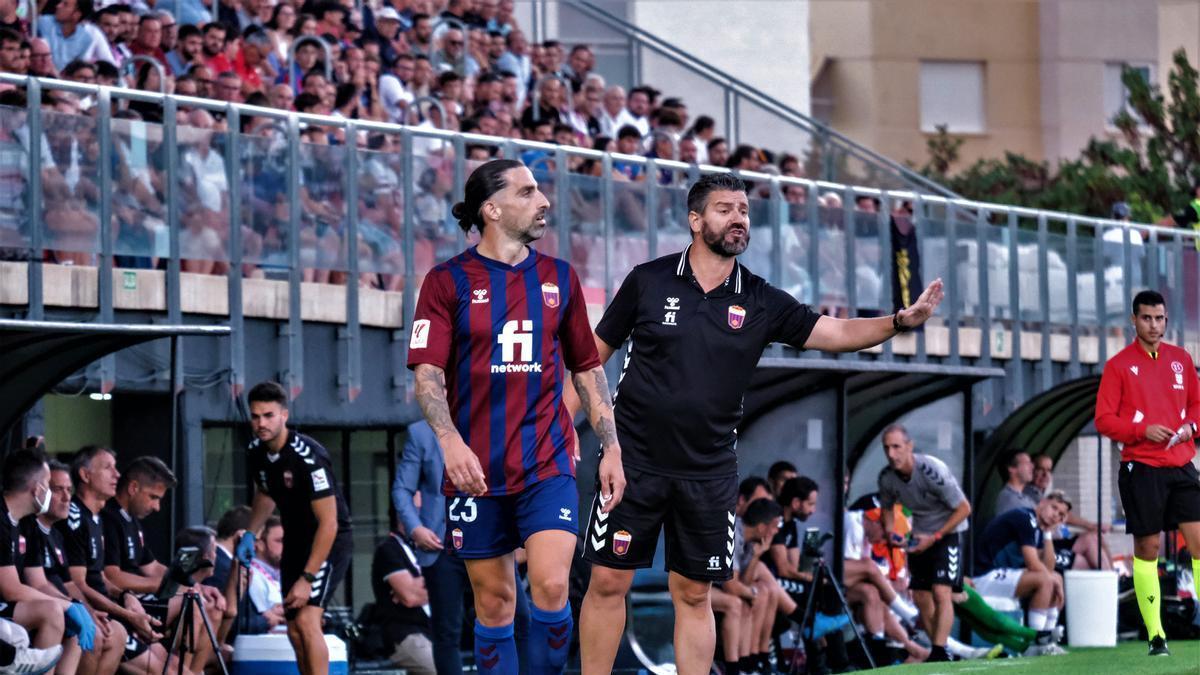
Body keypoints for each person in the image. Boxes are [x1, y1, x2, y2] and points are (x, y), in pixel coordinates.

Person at [574, 172, 943, 675]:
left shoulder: (762, 299)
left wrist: (896, 322)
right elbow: (591, 360)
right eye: (725, 209)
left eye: (744, 211)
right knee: (608, 582)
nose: (739, 219)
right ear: (696, 219)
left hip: (709, 471)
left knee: (694, 591)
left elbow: (833, 331)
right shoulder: (648, 280)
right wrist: (567, 432)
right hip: (633, 461)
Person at [407, 158, 625, 675]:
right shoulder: (445, 281)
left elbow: (588, 369)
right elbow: (427, 373)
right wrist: (449, 442)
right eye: (527, 192)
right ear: (492, 209)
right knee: (496, 603)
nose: (542, 201)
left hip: (546, 463)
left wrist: (610, 445)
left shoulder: (559, 278)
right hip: (474, 472)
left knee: (551, 584)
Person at [1094, 289, 1200, 657]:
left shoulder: (1181, 359)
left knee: (1199, 539)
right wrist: (1143, 431)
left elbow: (1197, 406)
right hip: (1141, 467)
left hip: (1182, 464)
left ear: (1166, 320)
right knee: (1148, 548)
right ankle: (1156, 636)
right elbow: (1104, 419)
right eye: (1146, 318)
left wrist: (1191, 428)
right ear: (1133, 320)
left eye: (1160, 318)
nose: (1154, 325)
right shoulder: (1118, 366)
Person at [391, 420, 532, 675]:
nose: (444, 389)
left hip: (491, 539)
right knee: (447, 630)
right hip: (441, 544)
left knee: (520, 617)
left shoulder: (494, 420)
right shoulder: (420, 432)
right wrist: (416, 528)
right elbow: (402, 489)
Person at [237, 381, 353, 675]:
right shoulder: (255, 451)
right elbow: (265, 492)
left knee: (307, 621)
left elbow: (329, 522)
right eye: (255, 416)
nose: (261, 423)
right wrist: (251, 532)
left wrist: (307, 577)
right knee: (293, 630)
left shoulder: (307, 456)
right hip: (296, 542)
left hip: (328, 541)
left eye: (268, 415)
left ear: (284, 415)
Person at [101, 456, 220, 673]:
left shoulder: (132, 521)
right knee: (193, 604)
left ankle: (192, 670)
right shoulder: (109, 518)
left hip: (136, 600)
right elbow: (112, 576)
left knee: (205, 603)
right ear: (133, 488)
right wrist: (161, 584)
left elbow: (153, 566)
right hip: (119, 604)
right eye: (153, 497)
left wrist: (192, 583)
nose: (157, 507)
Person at [59, 446, 170, 672]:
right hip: (85, 609)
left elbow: (100, 578)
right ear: (85, 475)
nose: (117, 475)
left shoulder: (96, 517)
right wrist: (126, 614)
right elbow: (78, 583)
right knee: (106, 636)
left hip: (109, 610)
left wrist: (127, 596)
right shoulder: (74, 516)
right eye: (108, 468)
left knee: (164, 656)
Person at [877, 424, 971, 663]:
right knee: (920, 597)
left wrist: (936, 537)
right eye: (886, 448)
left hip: (947, 533)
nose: (891, 453)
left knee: (941, 591)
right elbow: (887, 507)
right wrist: (890, 532)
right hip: (920, 535)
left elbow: (964, 509)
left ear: (909, 446)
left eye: (896, 447)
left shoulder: (931, 470)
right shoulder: (887, 477)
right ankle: (942, 648)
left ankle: (939, 651)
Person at [22, 460, 124, 675]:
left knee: (117, 633)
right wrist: (75, 608)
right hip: (39, 608)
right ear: (39, 490)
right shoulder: (29, 528)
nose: (67, 498)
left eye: (69, 490)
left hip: (64, 605)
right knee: (90, 634)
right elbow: (39, 583)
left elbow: (70, 583)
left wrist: (88, 610)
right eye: (58, 490)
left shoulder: (58, 535)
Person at [972, 491, 1071, 652]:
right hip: (984, 576)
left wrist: (1048, 534)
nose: (1056, 516)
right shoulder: (1024, 518)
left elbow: (1049, 567)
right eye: (1054, 508)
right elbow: (1033, 564)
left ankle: (1047, 643)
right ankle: (1034, 641)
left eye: (1061, 515)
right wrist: (1053, 581)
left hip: (1002, 576)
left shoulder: (1039, 529)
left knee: (1055, 577)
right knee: (1046, 580)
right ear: (1042, 503)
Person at [0, 449, 78, 652]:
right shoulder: (1, 519)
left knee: (72, 625)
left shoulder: (27, 523)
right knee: (52, 611)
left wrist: (72, 604)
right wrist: (64, 606)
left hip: (8, 608)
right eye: (50, 485)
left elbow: (40, 583)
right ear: (37, 489)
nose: (51, 494)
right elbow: (11, 589)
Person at [369, 529, 435, 674]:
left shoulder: (433, 545)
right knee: (443, 670)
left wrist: (421, 585)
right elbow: (410, 597)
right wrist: (440, 583)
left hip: (435, 632)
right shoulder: (388, 549)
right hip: (406, 633)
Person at [246, 516, 285, 635]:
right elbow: (265, 618)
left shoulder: (280, 573)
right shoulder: (252, 575)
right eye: (279, 541)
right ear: (260, 544)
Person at [994, 450, 1037, 515]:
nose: (1032, 466)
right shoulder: (1010, 499)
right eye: (1027, 463)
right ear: (1011, 468)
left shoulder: (1023, 496)